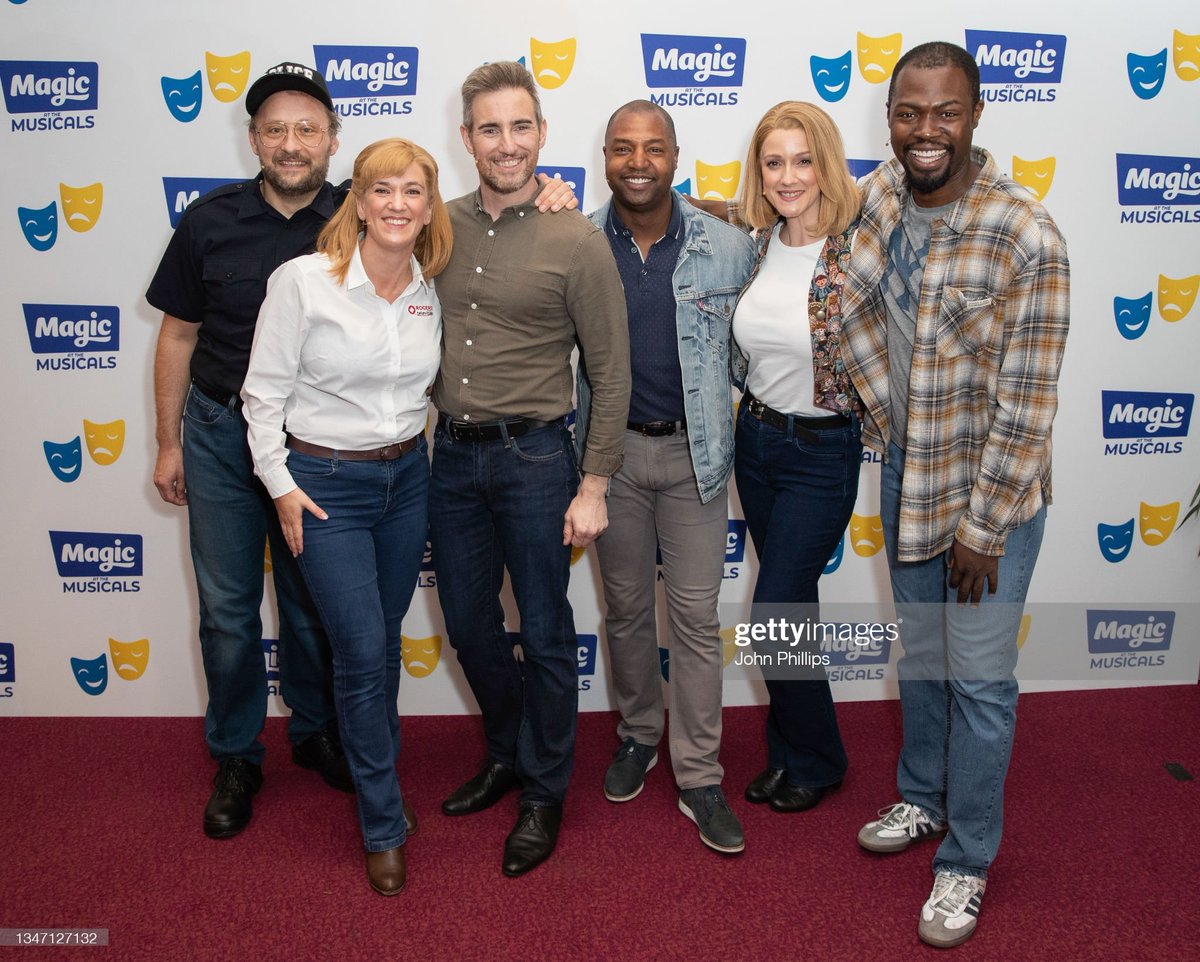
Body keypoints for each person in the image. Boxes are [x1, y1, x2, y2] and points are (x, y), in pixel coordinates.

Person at [841, 42, 1070, 948]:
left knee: (980, 682)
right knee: (924, 658)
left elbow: (1028, 402)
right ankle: (922, 798)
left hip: (990, 499)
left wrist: (983, 527)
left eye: (945, 112)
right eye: (909, 112)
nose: (925, 130)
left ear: (976, 115)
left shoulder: (1027, 233)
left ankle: (967, 860)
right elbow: (829, 259)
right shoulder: (885, 196)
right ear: (890, 118)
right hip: (909, 468)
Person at [430, 61, 630, 877]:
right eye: (489, 128)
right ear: (467, 137)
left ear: (541, 135)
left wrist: (593, 483)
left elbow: (611, 372)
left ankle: (545, 791)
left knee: (545, 630)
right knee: (472, 624)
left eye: (520, 128)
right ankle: (509, 751)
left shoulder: (575, 236)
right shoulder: (436, 226)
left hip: (538, 458)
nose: (505, 144)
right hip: (449, 457)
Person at [241, 138, 450, 897]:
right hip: (324, 486)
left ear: (430, 206)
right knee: (361, 651)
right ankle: (382, 821)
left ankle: (378, 785)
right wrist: (281, 486)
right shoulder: (304, 282)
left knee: (383, 647)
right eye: (383, 190)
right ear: (358, 200)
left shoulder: (433, 286)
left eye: (414, 191)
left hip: (407, 481)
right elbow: (261, 396)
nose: (398, 204)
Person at [147, 62, 351, 840]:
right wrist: (168, 442)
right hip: (221, 436)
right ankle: (236, 751)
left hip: (313, 442)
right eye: (275, 129)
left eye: (307, 129)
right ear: (254, 138)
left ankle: (314, 731)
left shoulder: (360, 218)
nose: (291, 144)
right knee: (230, 610)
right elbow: (177, 334)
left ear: (332, 138)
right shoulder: (208, 221)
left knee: (309, 604)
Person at [578, 101, 755, 854]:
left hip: (694, 459)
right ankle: (638, 734)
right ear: (606, 158)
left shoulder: (727, 245)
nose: (638, 161)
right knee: (623, 611)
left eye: (653, 148)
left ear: (676, 156)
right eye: (623, 148)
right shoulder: (577, 242)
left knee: (692, 618)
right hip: (607, 462)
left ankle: (700, 772)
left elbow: (752, 351)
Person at [729, 102, 865, 817]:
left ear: (827, 164)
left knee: (776, 606)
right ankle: (789, 752)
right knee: (792, 608)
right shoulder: (755, 243)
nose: (788, 177)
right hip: (755, 442)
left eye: (803, 160)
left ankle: (820, 757)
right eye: (774, 161)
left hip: (822, 450)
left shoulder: (860, 248)